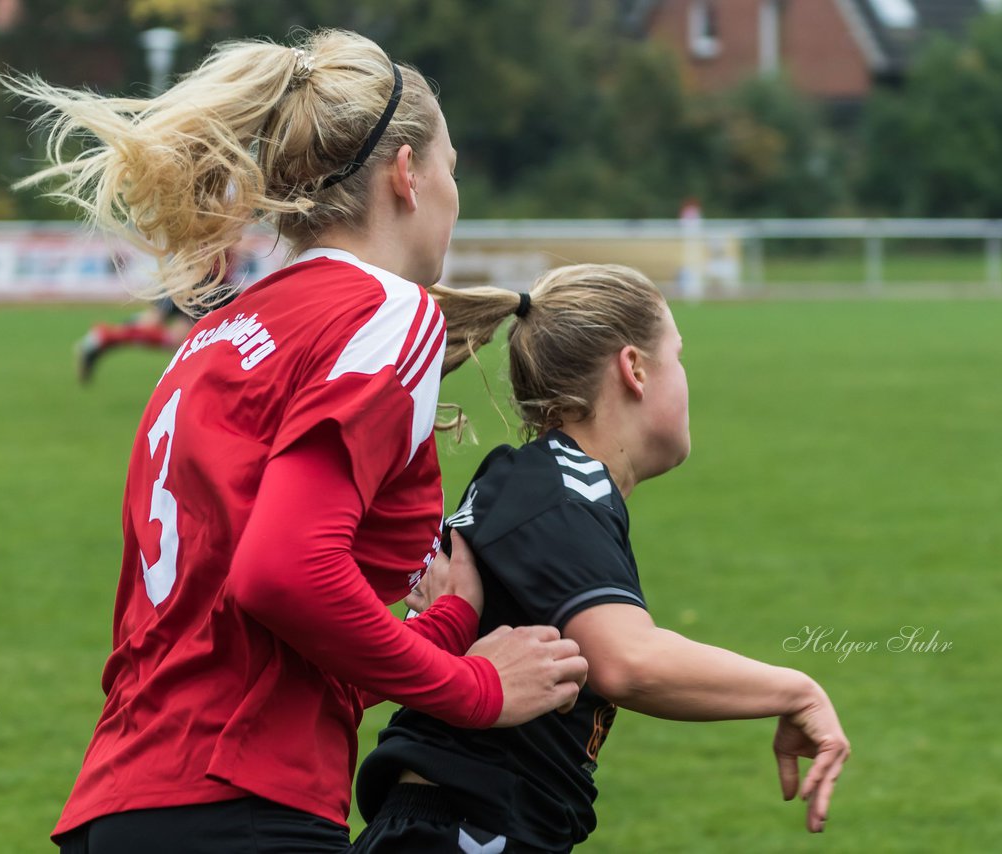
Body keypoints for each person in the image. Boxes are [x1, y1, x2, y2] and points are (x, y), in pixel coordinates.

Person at [2, 29, 587, 853]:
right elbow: (282, 575)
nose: (456, 196)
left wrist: (450, 622)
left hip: (123, 803)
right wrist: (475, 690)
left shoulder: (222, 332)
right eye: (453, 168)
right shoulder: (390, 311)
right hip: (242, 806)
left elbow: (257, 644)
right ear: (407, 172)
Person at [353, 264, 851, 852]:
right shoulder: (555, 487)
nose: (686, 378)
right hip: (462, 831)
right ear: (635, 369)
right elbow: (628, 661)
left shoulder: (548, 482)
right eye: (679, 355)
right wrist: (798, 690)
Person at [75, 247, 244, 384]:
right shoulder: (217, 223)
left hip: (206, 280)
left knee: (172, 335)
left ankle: (102, 338)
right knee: (156, 325)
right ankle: (102, 337)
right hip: (194, 278)